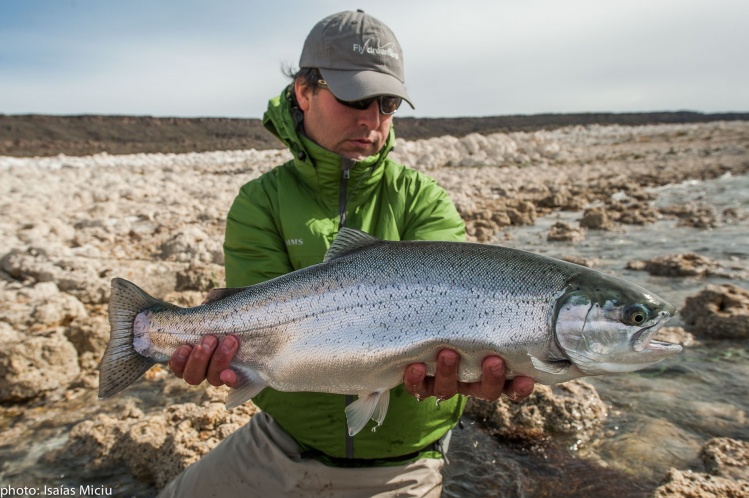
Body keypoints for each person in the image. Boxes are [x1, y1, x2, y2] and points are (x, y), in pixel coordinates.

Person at [158, 10, 534, 497]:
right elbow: (247, 328)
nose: (372, 119)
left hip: (404, 463)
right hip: (279, 446)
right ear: (303, 91)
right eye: (355, 97)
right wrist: (207, 349)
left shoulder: (423, 198)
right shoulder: (261, 202)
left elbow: (454, 312)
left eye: (388, 102)